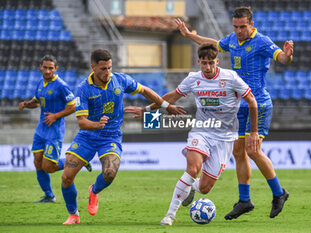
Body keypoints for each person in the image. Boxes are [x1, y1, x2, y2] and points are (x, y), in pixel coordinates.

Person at [175, 6, 294, 219]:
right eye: (236, 27)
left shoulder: (262, 42)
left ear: (251, 25)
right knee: (238, 151)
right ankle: (244, 200)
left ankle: (279, 193)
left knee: (253, 150)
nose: (238, 30)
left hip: (258, 103)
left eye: (242, 27)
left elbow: (281, 58)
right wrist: (189, 35)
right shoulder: (231, 40)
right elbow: (212, 44)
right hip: (239, 105)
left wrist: (287, 55)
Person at [125, 43, 259, 226]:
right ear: (199, 62)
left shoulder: (231, 77)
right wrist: (146, 109)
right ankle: (170, 215)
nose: (208, 67)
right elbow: (172, 96)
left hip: (225, 138)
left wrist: (253, 132)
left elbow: (251, 100)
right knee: (192, 169)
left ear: (217, 61)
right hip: (201, 130)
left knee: (205, 188)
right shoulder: (193, 79)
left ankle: (191, 187)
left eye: (211, 63)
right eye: (204, 63)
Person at [61, 49, 184, 225]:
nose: (107, 72)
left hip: (111, 137)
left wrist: (165, 105)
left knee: (110, 173)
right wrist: (96, 124)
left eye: (109, 67)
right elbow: (81, 122)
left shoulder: (120, 80)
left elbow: (144, 90)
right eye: (103, 69)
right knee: (66, 177)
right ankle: (73, 214)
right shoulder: (83, 89)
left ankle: (94, 190)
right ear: (93, 67)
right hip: (87, 136)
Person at [18, 55, 91, 203]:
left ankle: (79, 161)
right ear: (41, 67)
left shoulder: (61, 86)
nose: (47, 70)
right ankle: (49, 195)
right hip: (41, 128)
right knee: (37, 162)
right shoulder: (40, 83)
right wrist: (26, 104)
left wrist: (55, 116)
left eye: (51, 68)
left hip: (55, 130)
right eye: (45, 67)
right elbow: (37, 102)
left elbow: (72, 106)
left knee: (48, 167)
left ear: (55, 69)